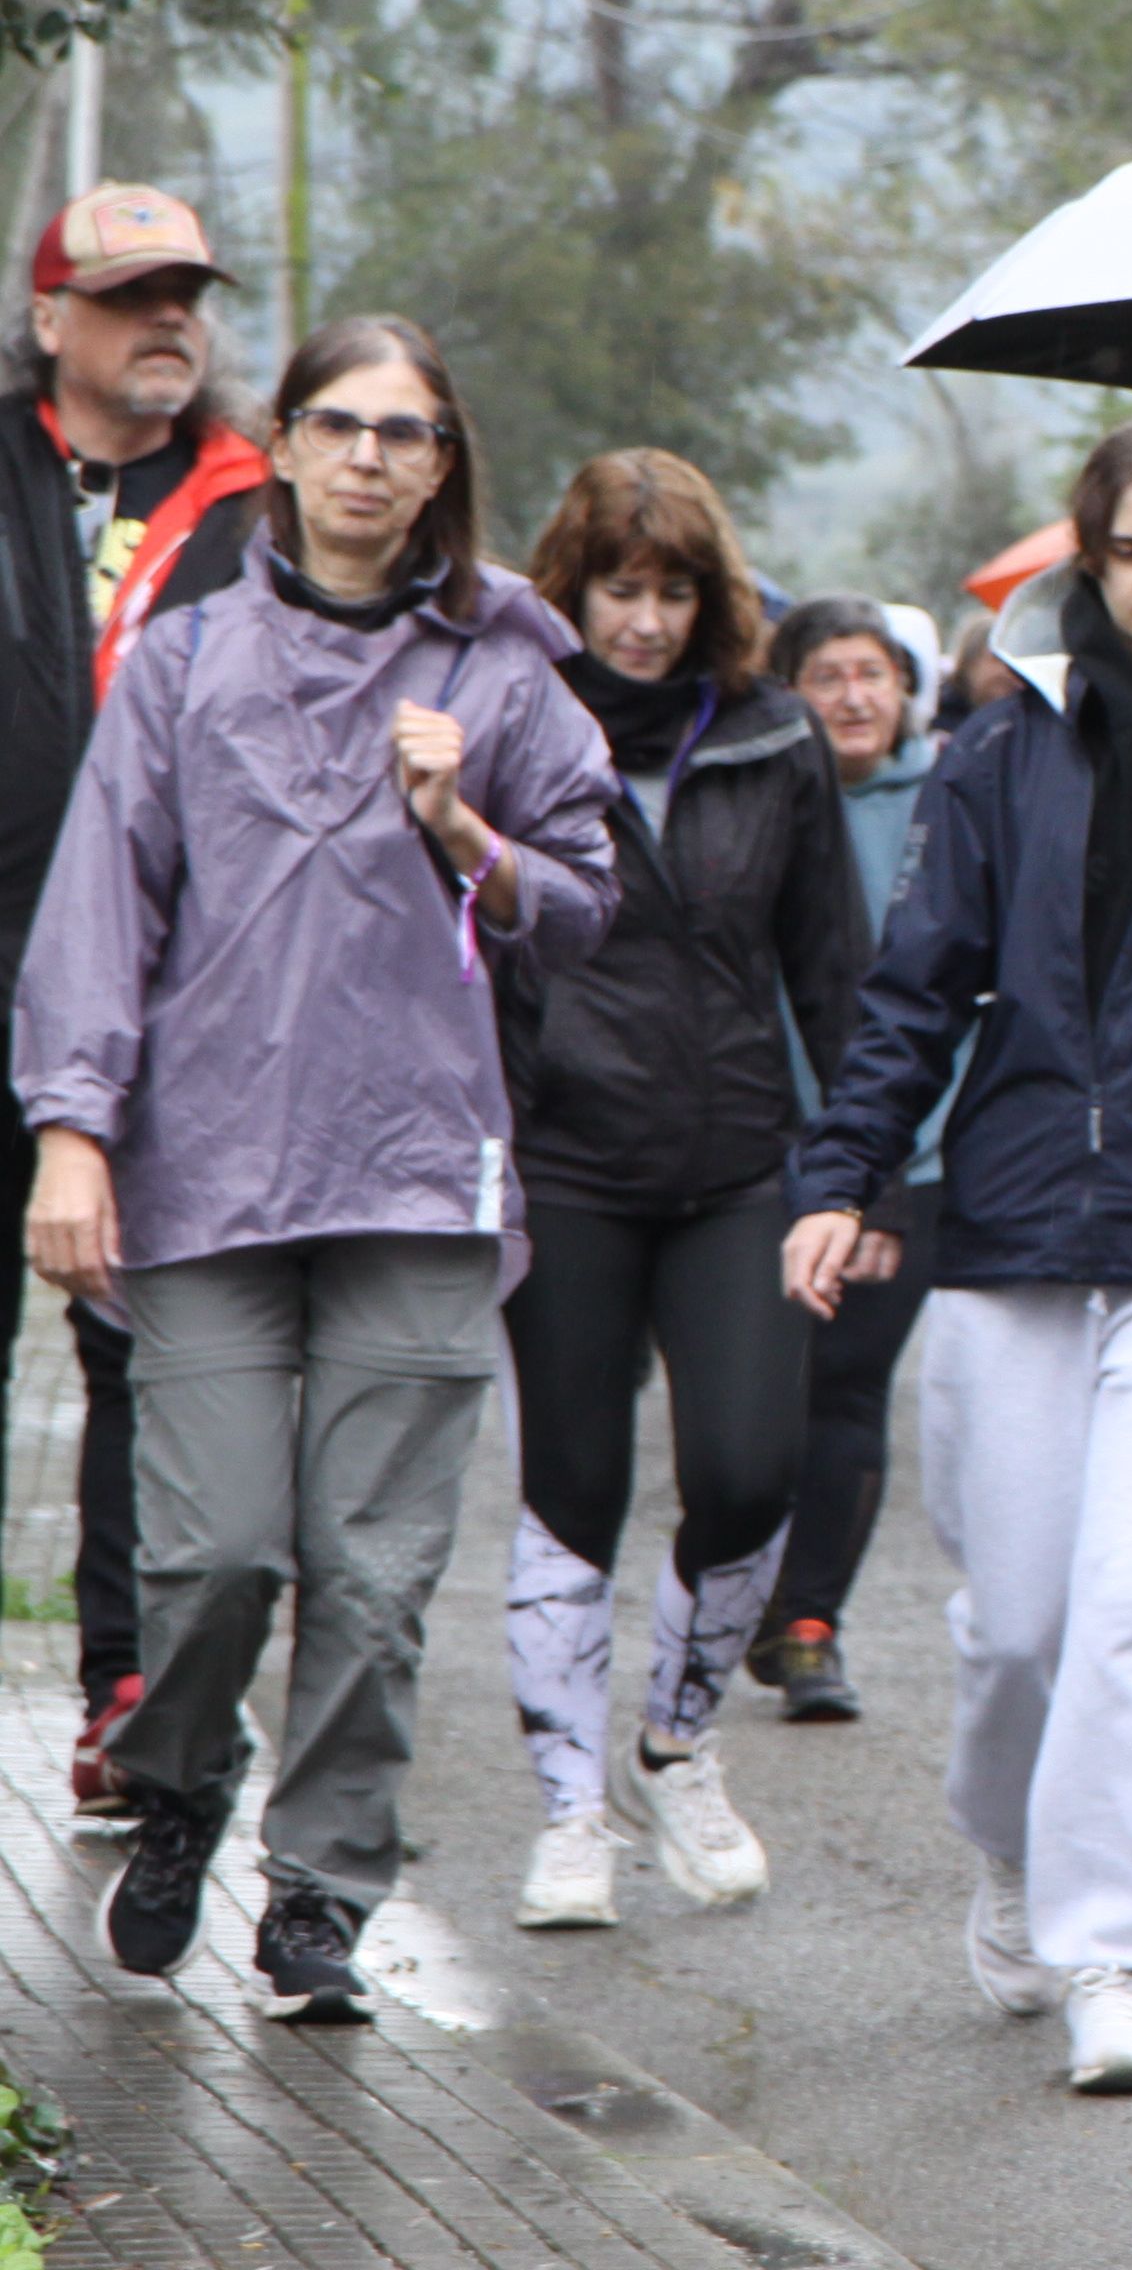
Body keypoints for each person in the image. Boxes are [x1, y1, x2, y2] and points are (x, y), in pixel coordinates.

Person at [15, 316, 617, 2021]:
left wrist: (464, 830)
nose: (368, 455)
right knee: (210, 1560)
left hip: (418, 1174)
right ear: (280, 446)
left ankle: (322, 1887)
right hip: (201, 1170)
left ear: (444, 463)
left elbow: (586, 906)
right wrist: (73, 1128)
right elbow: (98, 906)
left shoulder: (504, 669)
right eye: (337, 423)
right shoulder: (189, 659)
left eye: (405, 430)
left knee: (371, 1569)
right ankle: (183, 1768)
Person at [784, 417, 1132, 2099]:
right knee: (1020, 1627)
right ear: (1089, 561)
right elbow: (916, 986)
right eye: (1128, 550)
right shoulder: (1003, 758)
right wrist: (846, 1172)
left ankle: (1110, 1959)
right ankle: (1004, 1850)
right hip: (1010, 1227)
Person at [495, 454, 867, 1929]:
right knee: (572, 1485)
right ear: (570, 591)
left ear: (714, 600)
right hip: (568, 1162)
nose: (642, 622)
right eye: (616, 590)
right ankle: (570, 1811)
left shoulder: (773, 737)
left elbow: (833, 972)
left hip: (735, 1165)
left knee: (752, 1467)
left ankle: (675, 1739)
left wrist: (858, 1169)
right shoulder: (519, 720)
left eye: (670, 592)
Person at [0, 188, 267, 1813]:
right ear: (51, 320)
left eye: (184, 292)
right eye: (128, 294)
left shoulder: (254, 503)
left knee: (139, 1355)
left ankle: (122, 1684)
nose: (166, 317)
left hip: (166, 998)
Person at [749, 592, 956, 1722]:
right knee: (755, 1401)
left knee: (848, 1387)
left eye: (872, 672)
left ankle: (813, 1622)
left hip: (911, 1160)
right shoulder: (763, 793)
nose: (854, 696)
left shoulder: (951, 797)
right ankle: (745, 1588)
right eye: (827, 675)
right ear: (790, 692)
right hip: (761, 1145)